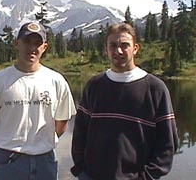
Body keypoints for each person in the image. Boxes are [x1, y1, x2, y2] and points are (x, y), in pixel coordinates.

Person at [71, 23, 178, 180]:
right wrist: (81, 169)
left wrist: (146, 176)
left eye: (124, 45)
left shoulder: (155, 88)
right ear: (106, 48)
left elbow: (167, 143)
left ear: (135, 49)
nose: (118, 51)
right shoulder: (94, 85)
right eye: (113, 45)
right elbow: (80, 133)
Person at [0, 21, 76, 180]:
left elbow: (63, 121)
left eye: (37, 43)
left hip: (45, 161)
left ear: (44, 47)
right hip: (7, 162)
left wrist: (43, 144)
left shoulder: (57, 81)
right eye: (27, 42)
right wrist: (0, 150)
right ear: (17, 43)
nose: (32, 48)